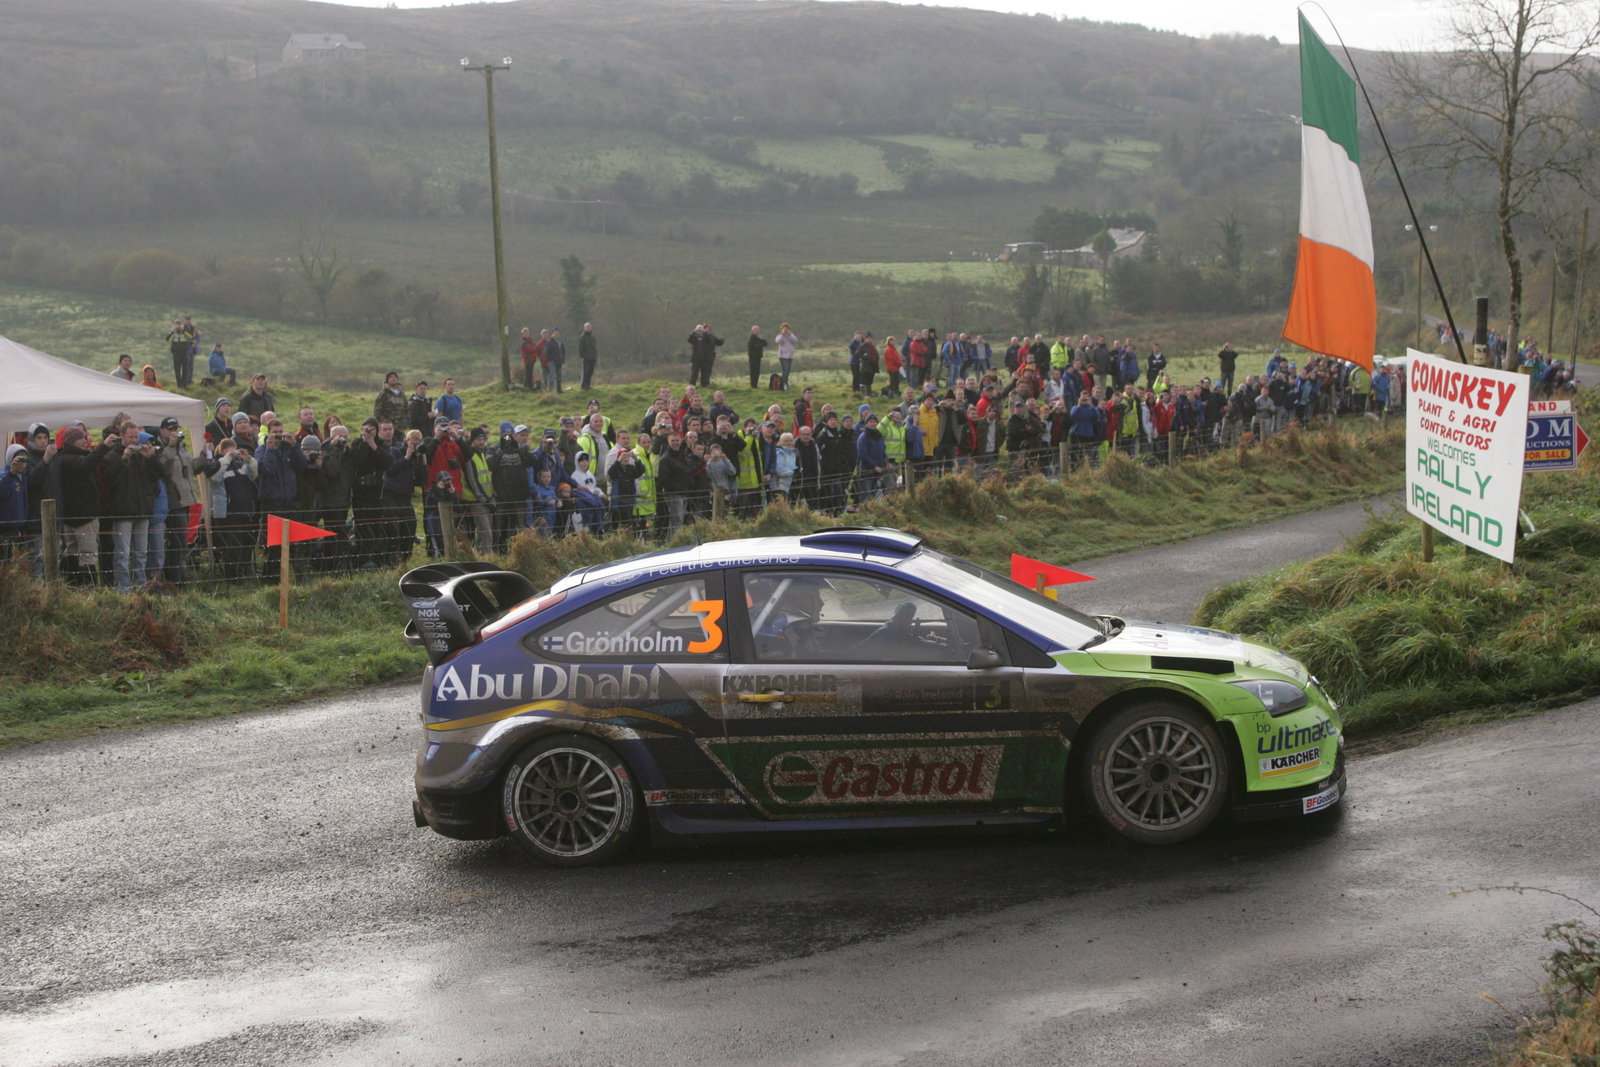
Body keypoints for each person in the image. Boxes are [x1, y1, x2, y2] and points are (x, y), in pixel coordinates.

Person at [751, 575, 830, 659]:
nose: (821, 603)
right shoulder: (777, 619)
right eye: (815, 597)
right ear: (795, 597)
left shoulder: (798, 621)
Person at [687, 323, 723, 388]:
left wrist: (704, 333)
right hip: (696, 358)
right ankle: (692, 385)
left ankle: (704, 385)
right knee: (694, 373)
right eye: (698, 330)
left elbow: (711, 340)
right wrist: (694, 332)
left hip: (705, 359)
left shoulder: (707, 337)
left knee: (704, 372)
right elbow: (689, 340)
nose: (699, 331)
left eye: (701, 329)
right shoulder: (694, 336)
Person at [775, 323, 800, 389]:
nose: (785, 330)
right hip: (783, 356)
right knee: (785, 371)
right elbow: (777, 341)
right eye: (784, 329)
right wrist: (782, 335)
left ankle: (785, 383)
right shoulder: (779, 336)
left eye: (787, 329)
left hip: (790, 356)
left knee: (787, 371)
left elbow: (795, 340)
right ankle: (784, 384)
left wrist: (789, 334)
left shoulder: (791, 335)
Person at [544, 328, 567, 393]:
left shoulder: (560, 342)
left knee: (559, 376)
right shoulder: (549, 342)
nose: (557, 334)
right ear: (552, 334)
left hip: (559, 362)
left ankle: (559, 390)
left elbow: (563, 351)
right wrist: (553, 359)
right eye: (555, 333)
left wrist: (562, 359)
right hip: (552, 362)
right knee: (552, 376)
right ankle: (550, 391)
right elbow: (546, 353)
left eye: (557, 333)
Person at [578, 322, 598, 391]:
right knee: (585, 372)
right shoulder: (582, 337)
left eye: (589, 327)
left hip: (592, 357)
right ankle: (584, 386)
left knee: (590, 372)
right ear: (584, 328)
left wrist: (595, 355)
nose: (589, 328)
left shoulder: (592, 338)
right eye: (587, 327)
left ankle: (588, 385)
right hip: (586, 358)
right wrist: (582, 356)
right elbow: (580, 348)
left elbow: (594, 348)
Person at [746, 325, 768, 389]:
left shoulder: (759, 337)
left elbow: (766, 344)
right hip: (753, 357)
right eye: (756, 330)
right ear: (752, 331)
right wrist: (760, 344)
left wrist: (762, 339)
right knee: (753, 371)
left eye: (758, 330)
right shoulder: (752, 338)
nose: (757, 331)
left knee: (757, 371)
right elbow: (753, 346)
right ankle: (753, 385)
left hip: (758, 357)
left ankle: (755, 384)